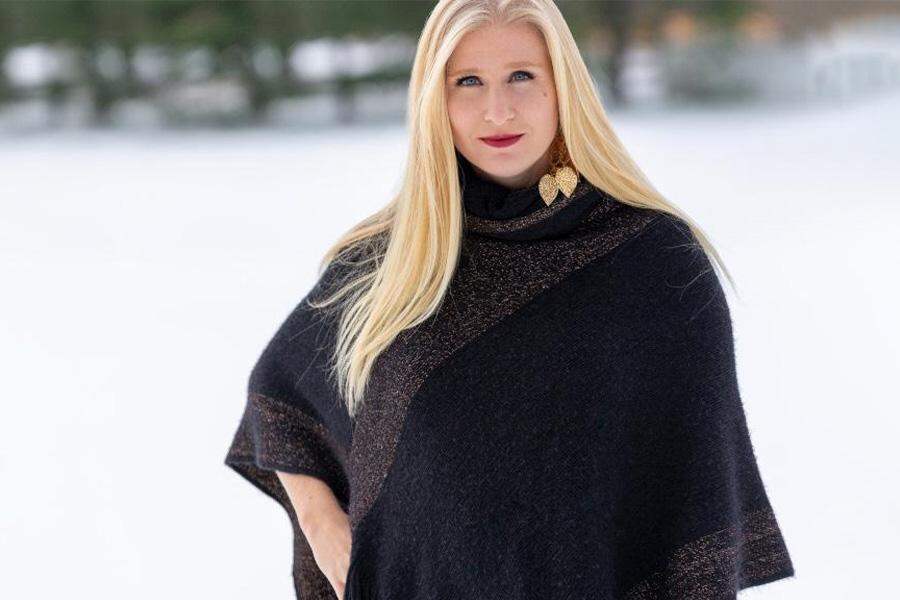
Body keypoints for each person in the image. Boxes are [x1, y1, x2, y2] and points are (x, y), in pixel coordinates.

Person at [224, 1, 795, 599]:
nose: (497, 110)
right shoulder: (391, 260)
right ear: (433, 101)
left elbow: (694, 496)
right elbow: (280, 390)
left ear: (563, 87)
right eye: (467, 81)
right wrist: (321, 522)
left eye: (521, 76)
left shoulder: (654, 261)